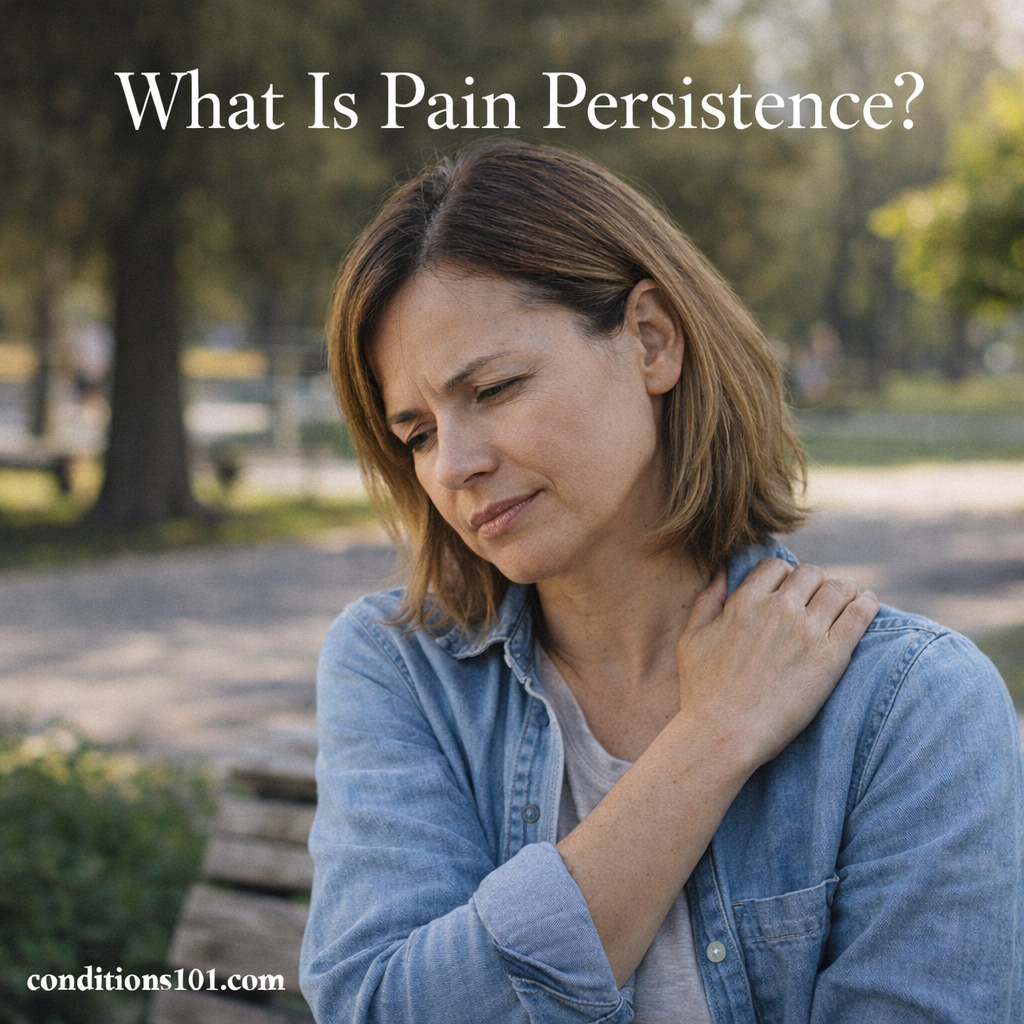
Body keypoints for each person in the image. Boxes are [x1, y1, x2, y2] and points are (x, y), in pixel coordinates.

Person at [299, 140, 1024, 1023]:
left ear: (651, 340)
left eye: (493, 388)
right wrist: (710, 741)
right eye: (415, 432)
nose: (453, 465)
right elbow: (377, 1007)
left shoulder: (911, 707)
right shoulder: (402, 669)